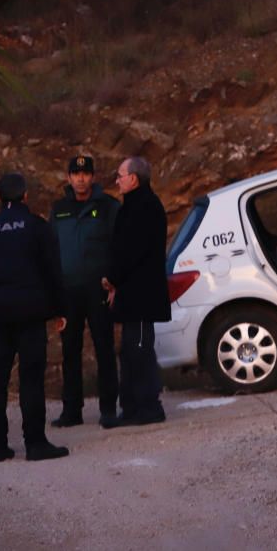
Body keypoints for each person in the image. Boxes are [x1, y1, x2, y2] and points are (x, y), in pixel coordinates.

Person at [0, 173, 69, 462]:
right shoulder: (37, 226)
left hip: (0, 310)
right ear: (25, 196)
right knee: (31, 377)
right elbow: (54, 271)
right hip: (32, 310)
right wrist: (60, 310)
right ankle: (35, 443)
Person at [49, 155, 121, 430]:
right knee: (70, 352)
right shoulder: (59, 210)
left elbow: (118, 246)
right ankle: (71, 411)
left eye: (85, 174)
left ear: (93, 177)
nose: (80, 178)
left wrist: (113, 280)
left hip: (98, 289)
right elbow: (51, 250)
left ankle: (108, 410)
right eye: (75, 174)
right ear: (68, 178)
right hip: (68, 292)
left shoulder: (108, 207)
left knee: (104, 348)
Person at [102, 157, 171, 426]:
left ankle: (149, 406)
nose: (117, 180)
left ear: (134, 178)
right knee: (129, 350)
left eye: (120, 175)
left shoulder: (146, 207)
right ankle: (130, 407)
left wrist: (112, 278)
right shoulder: (131, 207)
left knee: (140, 349)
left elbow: (133, 251)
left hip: (142, 295)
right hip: (130, 293)